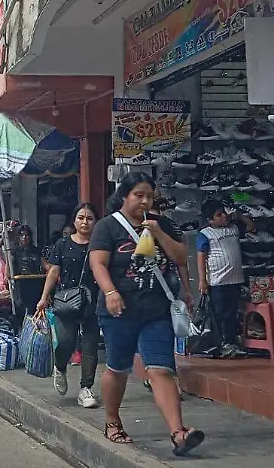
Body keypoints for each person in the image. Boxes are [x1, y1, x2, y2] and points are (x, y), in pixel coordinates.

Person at [89, 173, 204, 455]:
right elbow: (98, 263)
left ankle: (178, 433)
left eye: (149, 196)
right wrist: (110, 293)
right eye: (138, 195)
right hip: (120, 311)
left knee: (161, 369)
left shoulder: (161, 224)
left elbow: (180, 257)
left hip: (156, 311)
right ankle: (112, 421)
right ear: (125, 196)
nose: (144, 201)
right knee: (118, 368)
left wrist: (158, 232)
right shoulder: (107, 227)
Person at [36, 203, 102, 408]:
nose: (85, 222)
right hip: (67, 302)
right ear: (74, 221)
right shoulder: (63, 244)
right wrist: (44, 297)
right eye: (81, 217)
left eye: (89, 218)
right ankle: (60, 366)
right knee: (65, 342)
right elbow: (54, 272)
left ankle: (86, 388)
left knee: (90, 345)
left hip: (93, 302)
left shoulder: (99, 245)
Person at [196, 199, 251, 358]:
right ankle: (220, 344)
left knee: (232, 313)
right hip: (217, 281)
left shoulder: (234, 228)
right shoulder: (205, 234)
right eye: (218, 215)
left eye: (224, 213)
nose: (224, 217)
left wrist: (239, 215)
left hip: (234, 280)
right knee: (219, 314)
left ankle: (231, 342)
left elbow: (251, 227)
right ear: (209, 220)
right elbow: (201, 258)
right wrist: (202, 280)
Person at [11, 224, 45, 317]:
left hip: (35, 283)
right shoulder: (15, 251)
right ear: (18, 237)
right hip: (21, 284)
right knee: (21, 309)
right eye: (22, 235)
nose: (24, 237)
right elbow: (9, 267)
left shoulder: (36, 250)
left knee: (34, 309)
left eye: (27, 235)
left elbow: (45, 264)